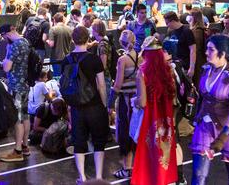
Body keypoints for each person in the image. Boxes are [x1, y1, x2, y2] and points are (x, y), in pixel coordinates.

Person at [190, 35, 229, 185]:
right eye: (207, 49)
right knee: (199, 175)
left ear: (223, 53)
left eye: (211, 50)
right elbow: (203, 98)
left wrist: (223, 136)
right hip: (205, 125)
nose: (206, 52)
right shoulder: (206, 70)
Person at [61, 25, 108, 183]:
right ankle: (99, 177)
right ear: (88, 39)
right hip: (94, 105)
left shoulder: (66, 60)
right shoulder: (94, 59)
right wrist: (104, 105)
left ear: (72, 40)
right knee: (98, 141)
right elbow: (101, 85)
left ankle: (82, 177)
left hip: (76, 107)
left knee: (79, 142)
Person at [131, 36, 177, 185]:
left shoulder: (142, 73)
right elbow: (173, 96)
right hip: (166, 116)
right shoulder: (169, 70)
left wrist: (134, 101)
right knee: (165, 150)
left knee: (149, 153)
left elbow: (142, 102)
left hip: (150, 118)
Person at [1, 24, 33, 162]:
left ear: (6, 34)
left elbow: (6, 68)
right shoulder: (25, 41)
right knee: (25, 116)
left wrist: (6, 55)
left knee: (17, 118)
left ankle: (18, 151)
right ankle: (25, 146)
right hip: (25, 84)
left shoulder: (14, 46)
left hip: (16, 86)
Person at [109, 30, 139, 179]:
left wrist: (109, 103)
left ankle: (127, 168)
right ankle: (137, 167)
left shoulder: (123, 60)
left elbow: (118, 84)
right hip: (138, 101)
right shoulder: (140, 56)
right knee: (136, 133)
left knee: (125, 134)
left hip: (125, 101)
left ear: (121, 42)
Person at [162, 12, 196, 79]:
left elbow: (193, 50)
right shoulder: (171, 31)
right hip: (175, 66)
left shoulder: (187, 31)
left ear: (173, 21)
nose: (167, 25)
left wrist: (192, 68)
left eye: (167, 23)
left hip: (185, 67)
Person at [47, 12, 73, 78]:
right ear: (62, 20)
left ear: (54, 20)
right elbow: (72, 42)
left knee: (57, 77)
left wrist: (47, 41)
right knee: (65, 76)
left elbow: (51, 44)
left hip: (56, 57)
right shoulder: (69, 29)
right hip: (67, 57)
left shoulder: (53, 29)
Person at [189, 8, 208, 87]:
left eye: (190, 15)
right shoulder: (200, 29)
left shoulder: (197, 31)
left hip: (198, 60)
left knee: (198, 82)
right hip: (199, 59)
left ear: (193, 17)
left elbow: (195, 49)